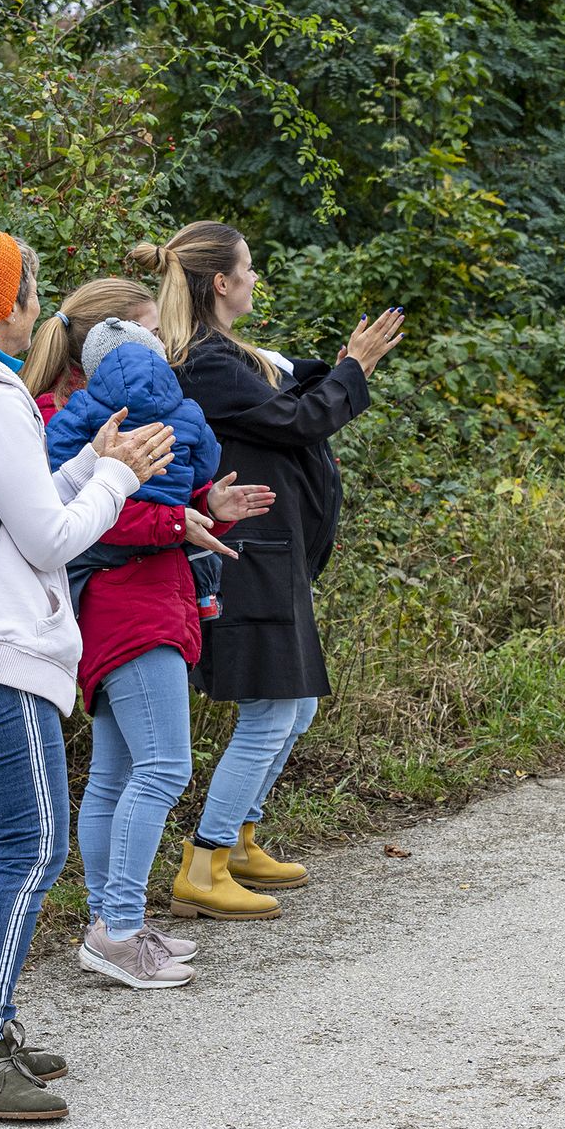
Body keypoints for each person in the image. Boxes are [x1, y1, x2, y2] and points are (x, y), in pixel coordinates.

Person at [0, 226, 174, 1120]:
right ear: (4, 305)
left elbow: (9, 508)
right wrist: (120, 481)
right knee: (31, 848)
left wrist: (92, 459)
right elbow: (52, 538)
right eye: (30, 288)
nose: (39, 303)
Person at [137, 222, 406, 920]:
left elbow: (291, 397)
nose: (257, 279)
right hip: (247, 556)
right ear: (220, 282)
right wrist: (357, 367)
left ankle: (244, 838)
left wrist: (342, 363)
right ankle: (205, 862)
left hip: (271, 552)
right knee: (273, 708)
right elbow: (301, 420)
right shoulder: (204, 362)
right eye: (248, 269)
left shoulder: (229, 354)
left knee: (297, 703)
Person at [44, 314, 275, 987]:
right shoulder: (130, 420)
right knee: (164, 768)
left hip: (112, 610)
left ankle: (111, 925)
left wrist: (210, 504)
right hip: (136, 611)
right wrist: (184, 518)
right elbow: (101, 514)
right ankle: (117, 927)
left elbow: (153, 499)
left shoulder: (74, 415)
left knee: (116, 775)